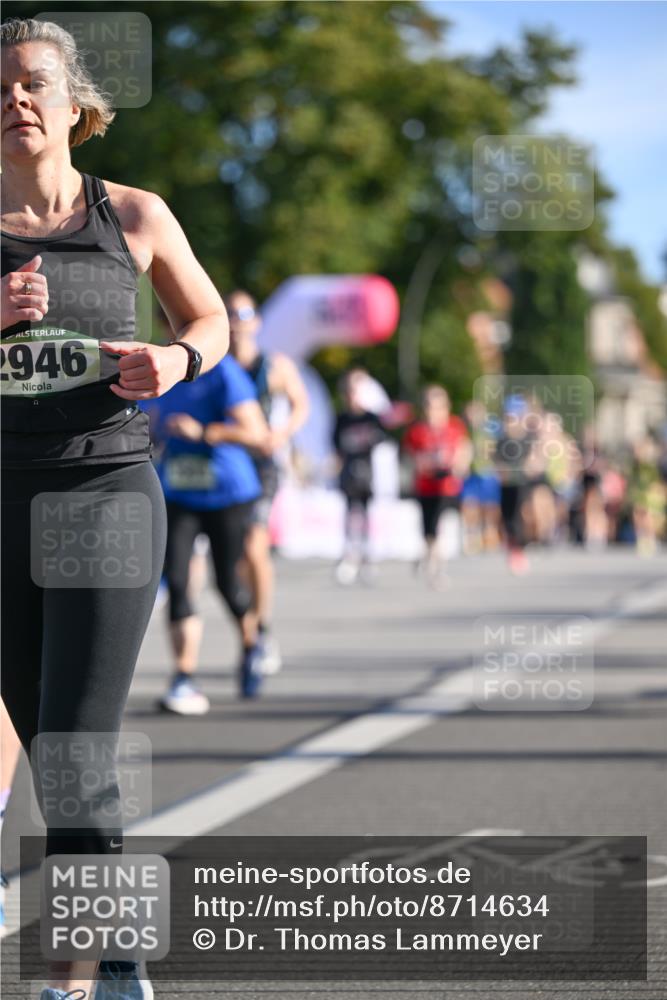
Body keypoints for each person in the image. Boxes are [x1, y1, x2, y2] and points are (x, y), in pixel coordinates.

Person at [1, 17, 228, 999]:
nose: (14, 100)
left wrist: (176, 360)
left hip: (104, 491)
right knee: (58, 765)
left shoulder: (132, 214)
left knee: (78, 748)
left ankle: (73, 981)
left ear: (74, 103)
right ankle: (125, 958)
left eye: (33, 84)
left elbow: (209, 318)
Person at [144, 354, 269, 705]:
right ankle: (184, 676)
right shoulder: (157, 365)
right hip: (180, 492)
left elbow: (258, 434)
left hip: (228, 493)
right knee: (179, 583)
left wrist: (204, 432)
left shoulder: (223, 372)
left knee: (228, 583)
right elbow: (147, 421)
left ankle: (252, 641)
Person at [227, 289, 309, 673]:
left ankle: (262, 628)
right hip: (222, 464)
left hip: (260, 464)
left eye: (243, 313)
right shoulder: (214, 363)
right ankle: (247, 626)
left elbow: (301, 403)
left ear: (257, 321)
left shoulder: (273, 365)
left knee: (254, 545)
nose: (236, 321)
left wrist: (283, 433)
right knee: (230, 559)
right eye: (229, 313)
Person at [402, 385, 471, 588]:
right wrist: (420, 463)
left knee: (445, 525)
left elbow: (464, 448)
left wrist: (460, 464)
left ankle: (436, 567)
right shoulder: (417, 431)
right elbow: (409, 455)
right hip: (426, 487)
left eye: (439, 406)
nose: (434, 411)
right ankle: (427, 556)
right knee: (429, 530)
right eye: (430, 406)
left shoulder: (455, 426)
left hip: (448, 486)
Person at [332, 369, 387, 585]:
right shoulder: (341, 418)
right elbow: (336, 446)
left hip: (368, 473)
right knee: (349, 514)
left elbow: (381, 440)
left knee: (366, 515)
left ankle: (367, 556)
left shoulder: (371, 418)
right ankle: (349, 556)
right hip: (348, 473)